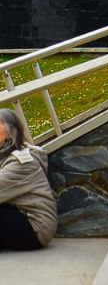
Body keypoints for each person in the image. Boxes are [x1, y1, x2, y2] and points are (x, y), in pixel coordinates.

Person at [0, 108, 55, 252]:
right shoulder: (5, 154)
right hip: (17, 216)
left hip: (35, 228)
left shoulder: (22, 162)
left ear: (11, 131)